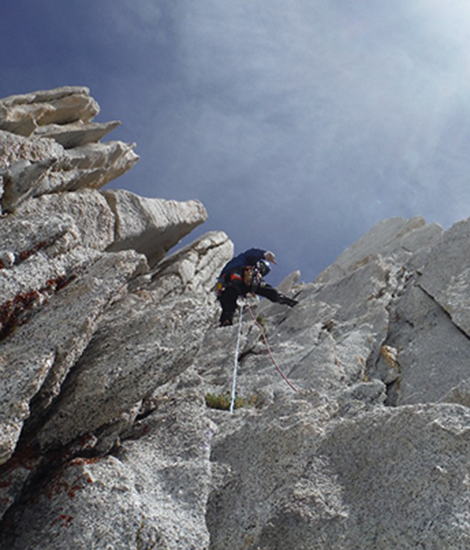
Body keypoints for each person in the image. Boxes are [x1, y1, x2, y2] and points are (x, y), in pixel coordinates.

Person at [216, 248, 298, 326]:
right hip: (240, 278)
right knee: (266, 289)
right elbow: (251, 253)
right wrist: (264, 254)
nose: (261, 273)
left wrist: (220, 289)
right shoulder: (247, 260)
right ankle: (284, 299)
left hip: (232, 282)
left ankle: (226, 320)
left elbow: (222, 283)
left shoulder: (233, 265)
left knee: (228, 299)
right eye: (262, 271)